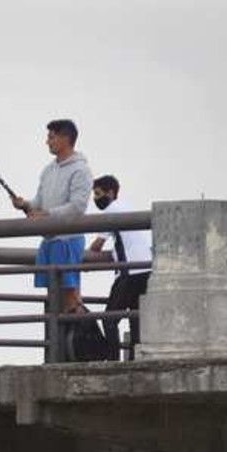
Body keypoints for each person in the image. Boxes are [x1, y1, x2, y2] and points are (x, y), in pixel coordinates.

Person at [11, 119, 93, 316]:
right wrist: (26, 205)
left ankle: (80, 340)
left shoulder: (81, 170)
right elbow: (40, 201)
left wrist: (46, 214)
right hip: (48, 240)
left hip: (68, 240)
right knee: (53, 296)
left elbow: (78, 206)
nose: (47, 142)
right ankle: (60, 343)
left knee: (70, 296)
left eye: (51, 137)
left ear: (66, 138)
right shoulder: (48, 170)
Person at [86, 175, 153, 353]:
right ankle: (135, 358)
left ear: (111, 192)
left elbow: (97, 246)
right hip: (146, 269)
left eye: (98, 193)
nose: (95, 198)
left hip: (129, 272)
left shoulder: (111, 211)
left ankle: (113, 358)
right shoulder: (127, 207)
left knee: (109, 319)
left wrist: (84, 254)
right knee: (135, 318)